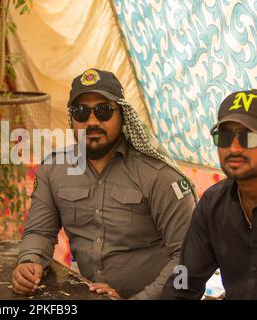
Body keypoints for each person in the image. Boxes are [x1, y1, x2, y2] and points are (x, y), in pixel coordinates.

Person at [11, 68, 197, 299]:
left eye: (104, 110)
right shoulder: (54, 169)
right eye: (81, 112)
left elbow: (188, 257)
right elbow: (40, 231)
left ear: (123, 115)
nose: (92, 121)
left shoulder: (159, 176)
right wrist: (30, 262)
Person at [161, 89, 257, 300]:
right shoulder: (213, 204)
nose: (234, 148)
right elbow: (184, 279)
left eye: (248, 137)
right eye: (224, 136)